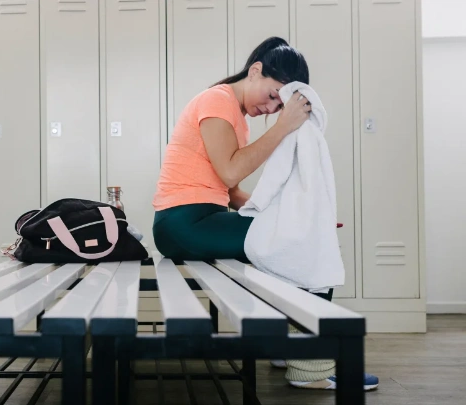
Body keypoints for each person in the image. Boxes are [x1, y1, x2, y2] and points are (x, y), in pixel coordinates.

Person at [151, 36, 378, 391]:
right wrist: (284, 126)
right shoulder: (217, 100)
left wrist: (294, 217)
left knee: (300, 236)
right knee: (304, 244)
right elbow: (229, 172)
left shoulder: (234, 113)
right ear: (255, 71)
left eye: (279, 104)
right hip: (183, 223)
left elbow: (229, 193)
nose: (273, 108)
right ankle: (311, 367)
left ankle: (289, 348)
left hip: (197, 219)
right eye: (273, 96)